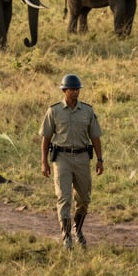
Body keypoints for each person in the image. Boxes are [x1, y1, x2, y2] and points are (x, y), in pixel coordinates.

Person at [39, 74, 103, 250]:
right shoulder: (54, 111)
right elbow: (46, 138)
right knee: (64, 198)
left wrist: (100, 159)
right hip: (62, 159)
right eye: (72, 89)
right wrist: (44, 162)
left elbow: (95, 136)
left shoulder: (88, 111)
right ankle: (66, 236)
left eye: (77, 89)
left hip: (82, 158)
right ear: (64, 90)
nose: (75, 92)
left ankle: (78, 229)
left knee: (84, 199)